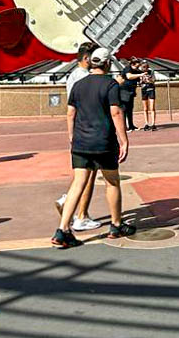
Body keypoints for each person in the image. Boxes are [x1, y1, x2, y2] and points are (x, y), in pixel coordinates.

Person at [51, 47, 135, 248]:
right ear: (106, 64)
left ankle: (62, 230)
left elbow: (70, 113)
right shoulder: (111, 85)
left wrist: (72, 136)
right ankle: (116, 225)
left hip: (81, 142)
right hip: (103, 142)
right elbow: (116, 113)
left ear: (92, 62)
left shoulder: (78, 85)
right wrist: (124, 140)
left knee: (78, 183)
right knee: (112, 181)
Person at [53, 43, 102, 232]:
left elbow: (70, 110)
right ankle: (82, 215)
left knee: (81, 173)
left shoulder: (73, 75)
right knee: (89, 175)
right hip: (90, 127)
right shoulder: (86, 78)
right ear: (87, 58)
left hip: (79, 129)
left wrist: (71, 134)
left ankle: (68, 200)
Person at [119, 58, 141, 131]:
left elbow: (139, 80)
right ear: (132, 64)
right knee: (124, 109)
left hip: (131, 91)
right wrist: (140, 74)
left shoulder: (136, 71)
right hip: (124, 91)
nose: (138, 67)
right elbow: (129, 76)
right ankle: (124, 127)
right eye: (137, 66)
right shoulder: (127, 68)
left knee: (130, 109)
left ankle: (131, 126)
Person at [139, 60, 157, 131]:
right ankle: (146, 123)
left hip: (151, 89)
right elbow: (139, 83)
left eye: (146, 67)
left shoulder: (151, 72)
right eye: (143, 67)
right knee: (145, 108)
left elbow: (154, 80)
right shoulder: (140, 73)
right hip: (144, 90)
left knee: (152, 107)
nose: (144, 68)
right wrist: (142, 79)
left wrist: (149, 79)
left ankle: (153, 124)